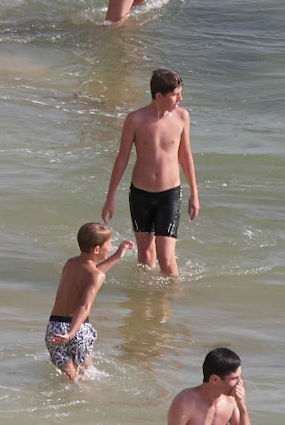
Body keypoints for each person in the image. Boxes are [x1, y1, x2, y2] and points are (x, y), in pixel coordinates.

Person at [102, 69, 199, 277]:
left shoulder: (182, 117)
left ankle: (172, 294)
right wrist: (110, 198)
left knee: (166, 258)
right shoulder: (135, 119)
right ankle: (147, 297)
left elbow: (185, 156)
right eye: (175, 94)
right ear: (158, 96)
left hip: (169, 194)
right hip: (141, 194)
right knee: (145, 257)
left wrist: (194, 193)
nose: (180, 99)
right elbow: (122, 158)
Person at [45, 224, 133, 380]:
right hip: (79, 329)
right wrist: (71, 333)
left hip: (55, 328)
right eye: (109, 244)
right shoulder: (96, 276)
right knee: (85, 374)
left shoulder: (70, 263)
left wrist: (117, 256)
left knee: (69, 377)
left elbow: (92, 272)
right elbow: (85, 306)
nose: (111, 246)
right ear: (97, 249)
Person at [168, 349, 250, 425]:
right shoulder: (184, 403)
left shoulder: (231, 401)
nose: (240, 383)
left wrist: (243, 409)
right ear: (215, 379)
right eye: (235, 378)